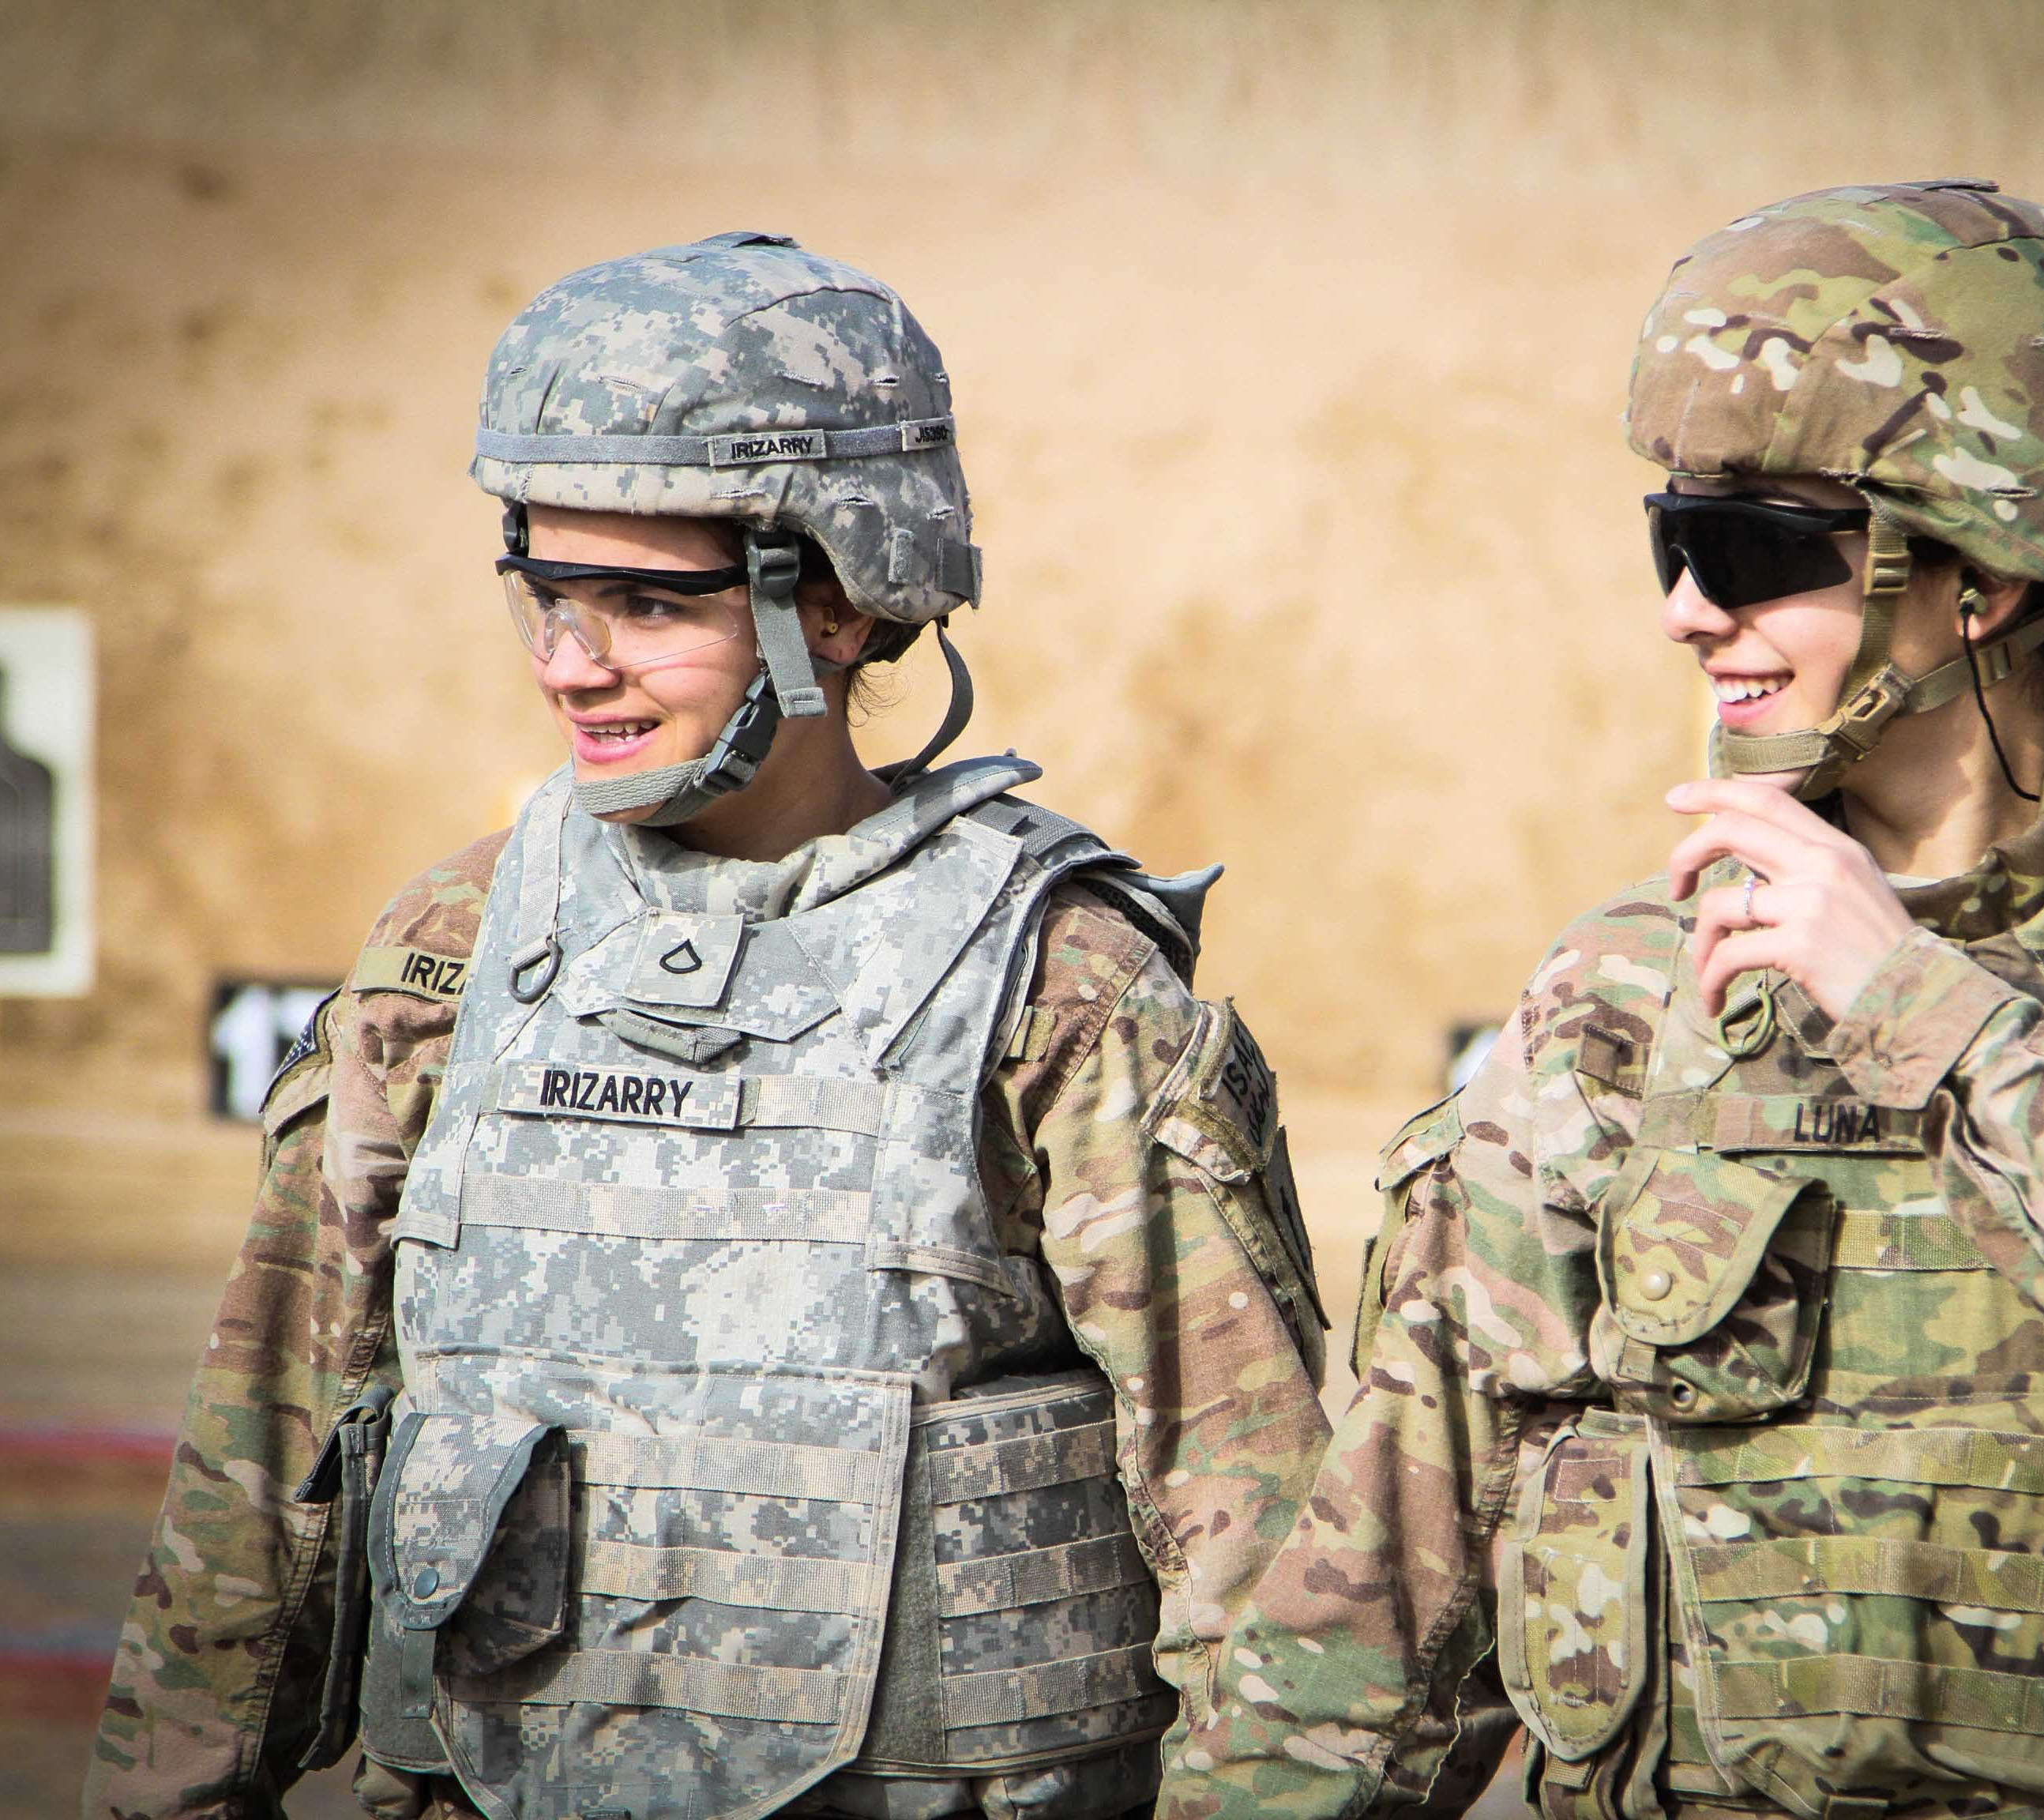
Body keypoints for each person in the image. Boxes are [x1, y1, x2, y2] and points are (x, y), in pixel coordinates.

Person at [1166, 181, 2044, 1818]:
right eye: (1672, 540)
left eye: (1751, 548)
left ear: (1989, 573)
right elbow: (1385, 1583)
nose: (1688, 608)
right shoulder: (1630, 983)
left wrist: (1920, 1008)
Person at [88, 231, 1332, 1820]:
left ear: (842, 602)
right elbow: (252, 1509)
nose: (567, 664)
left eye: (641, 603)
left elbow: (1270, 1573)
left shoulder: (1059, 991)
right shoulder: (453, 954)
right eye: (542, 592)